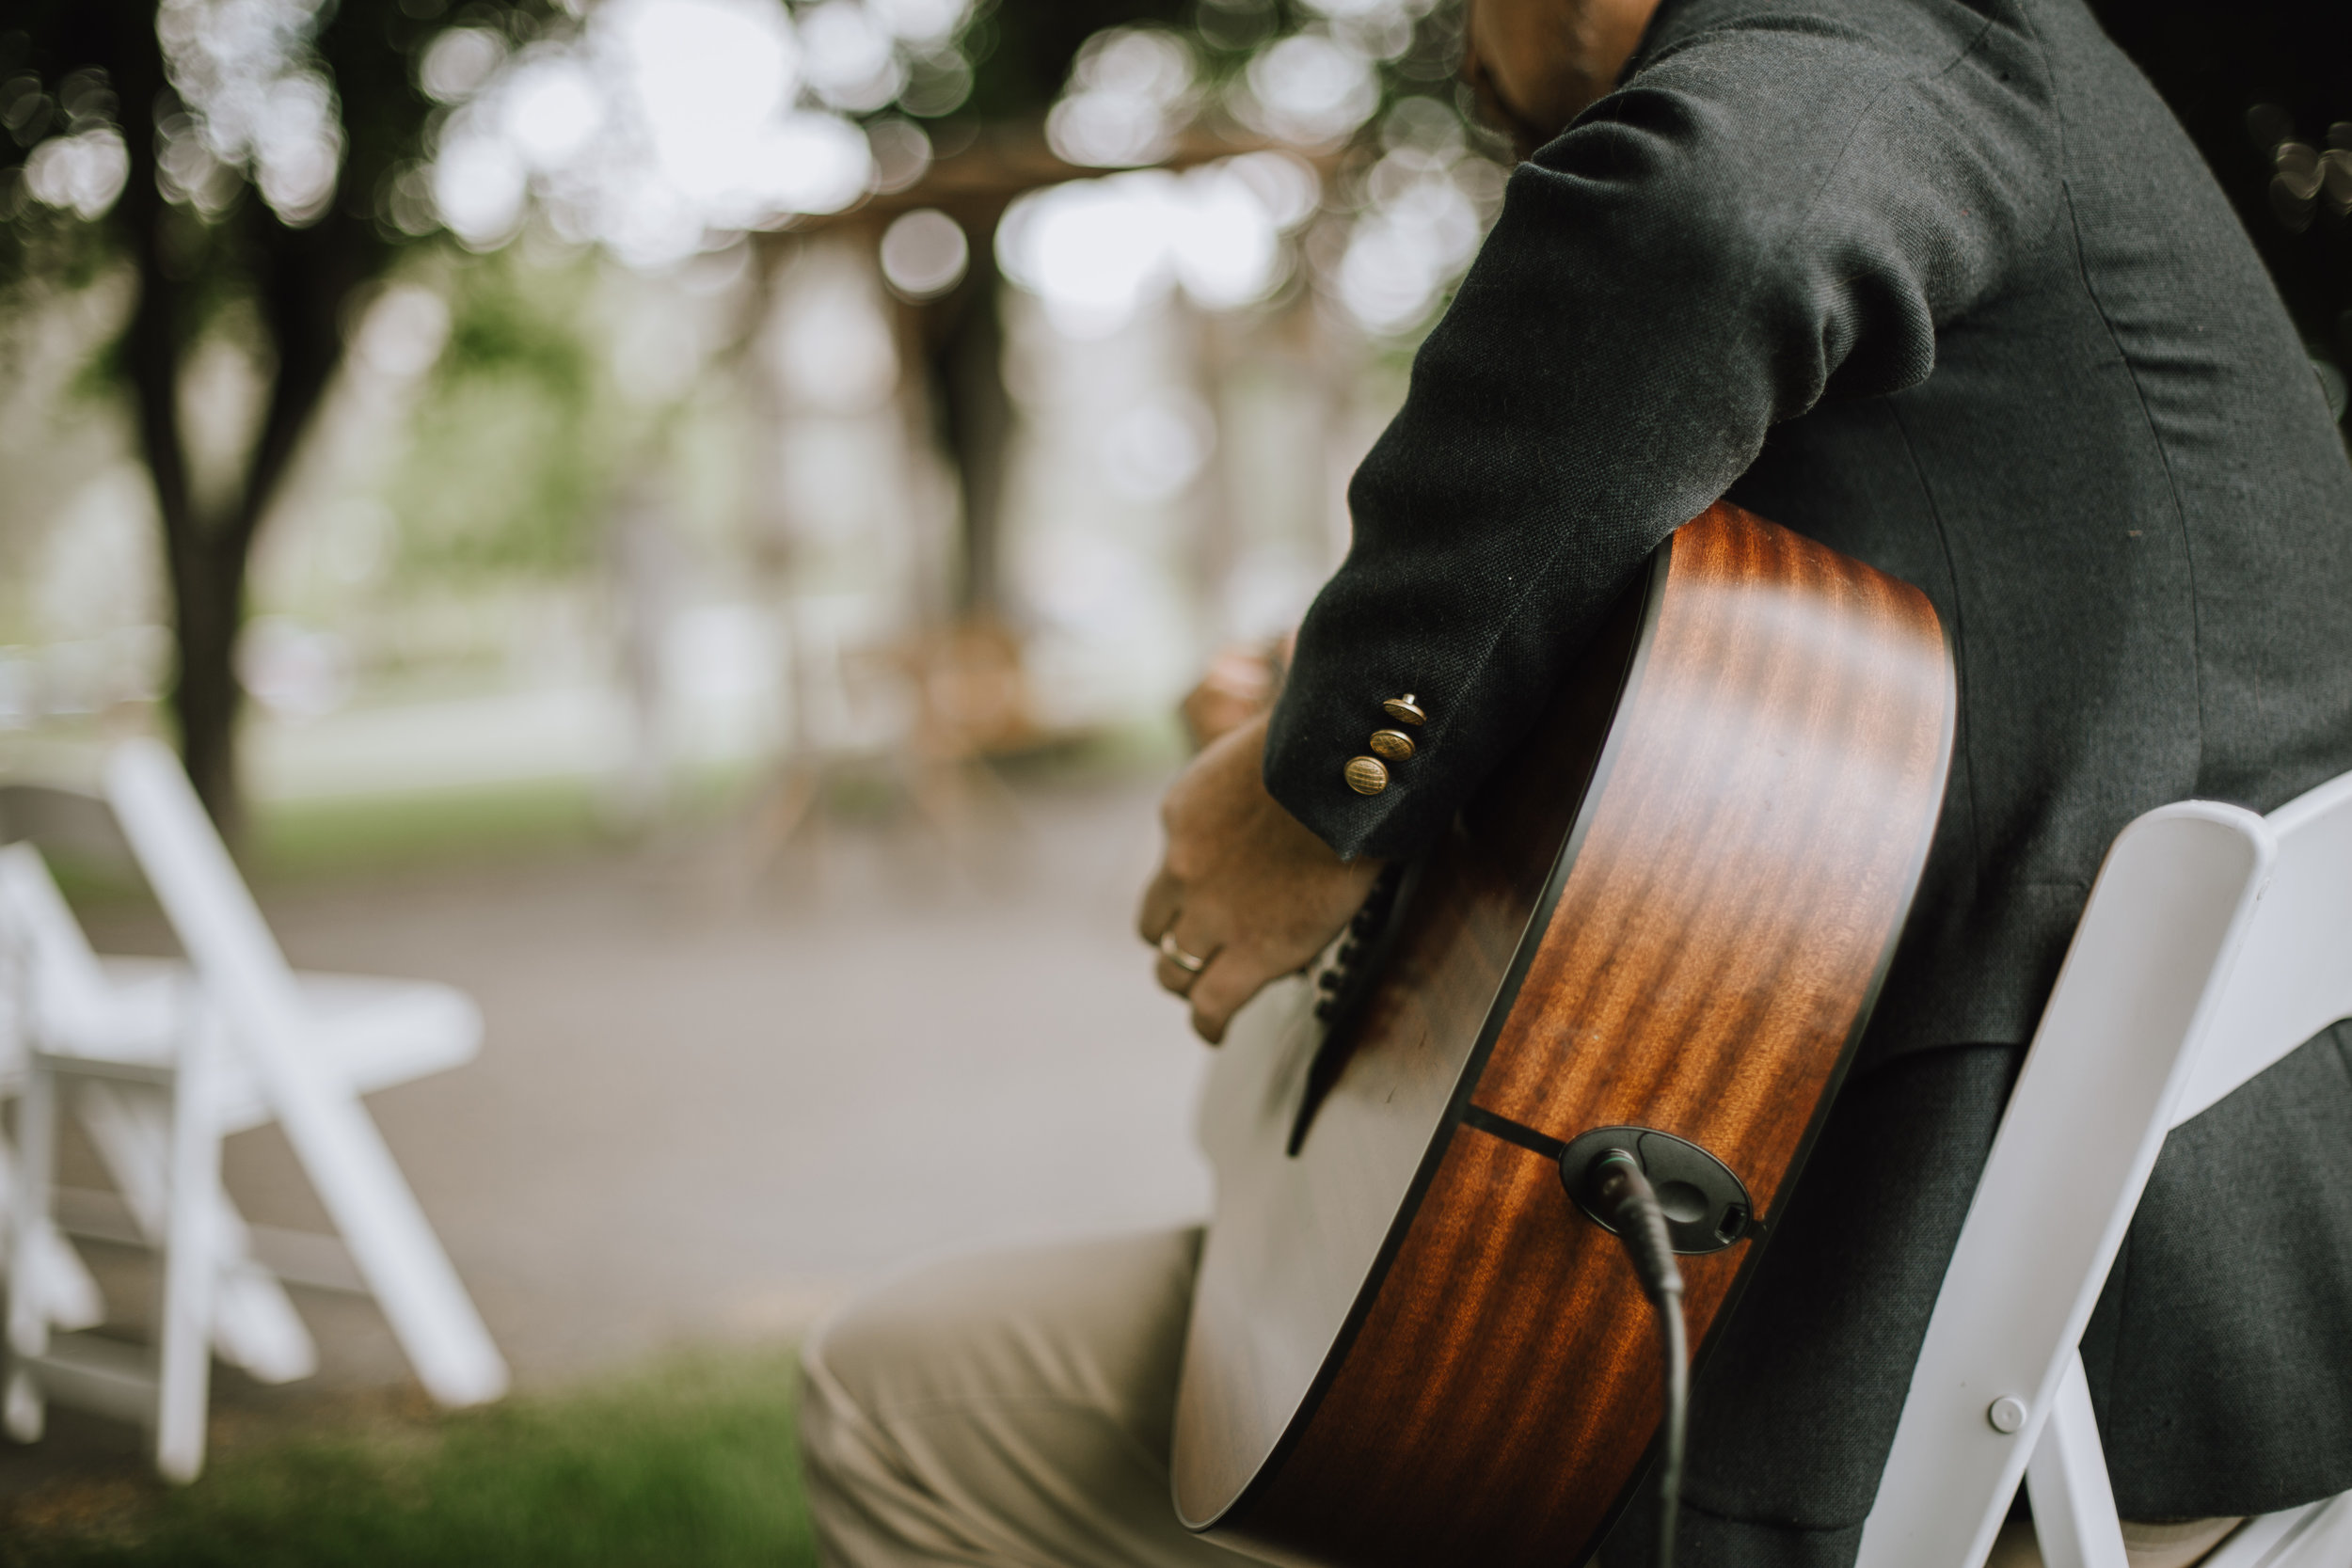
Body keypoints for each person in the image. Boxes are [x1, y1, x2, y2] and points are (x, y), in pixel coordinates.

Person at [797, 0, 2352, 1561]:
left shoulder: (1894, 43)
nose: (1464, 57)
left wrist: (1314, 792)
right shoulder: (2018, 148)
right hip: (2074, 1325)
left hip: (1938, 1370)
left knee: (903, 1403)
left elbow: (1716, 224)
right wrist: (1404, 697)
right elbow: (1752, 697)